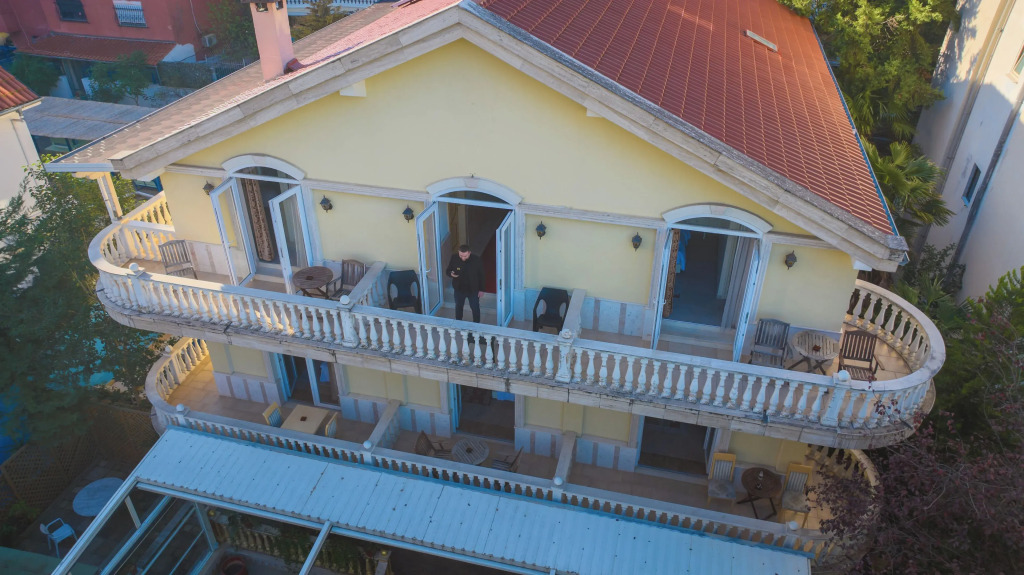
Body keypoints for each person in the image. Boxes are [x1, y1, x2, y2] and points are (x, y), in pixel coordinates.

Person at [445, 244, 485, 323]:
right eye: (461, 255)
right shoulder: (454, 258)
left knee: (475, 307)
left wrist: (481, 289)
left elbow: (482, 275)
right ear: (458, 252)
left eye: (465, 256)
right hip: (459, 289)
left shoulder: (476, 260)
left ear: (469, 253)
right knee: (458, 307)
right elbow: (448, 270)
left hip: (473, 289)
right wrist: (451, 274)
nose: (463, 258)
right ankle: (458, 323)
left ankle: (477, 325)